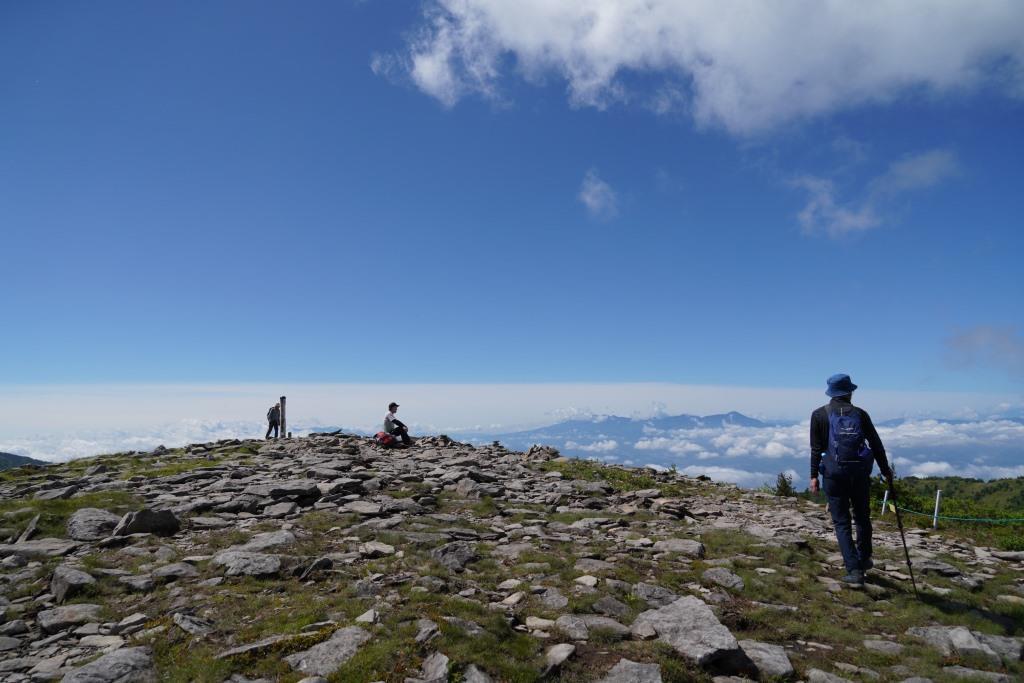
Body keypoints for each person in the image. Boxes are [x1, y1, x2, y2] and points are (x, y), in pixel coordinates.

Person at [809, 374, 893, 585]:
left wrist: (813, 476)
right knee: (863, 517)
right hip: (859, 474)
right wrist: (885, 470)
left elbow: (816, 448)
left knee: (842, 522)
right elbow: (876, 443)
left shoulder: (819, 414)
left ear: (830, 392)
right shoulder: (860, 414)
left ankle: (854, 570)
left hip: (833, 475)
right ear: (849, 392)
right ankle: (864, 559)